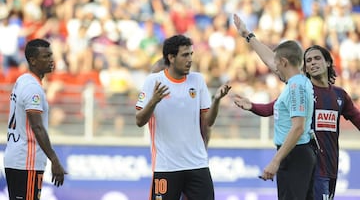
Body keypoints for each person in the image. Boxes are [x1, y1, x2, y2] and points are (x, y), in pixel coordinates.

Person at [234, 45, 360, 200]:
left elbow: (357, 119)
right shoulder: (303, 89)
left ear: (328, 62)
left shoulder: (340, 96)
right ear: (304, 67)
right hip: (310, 167)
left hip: (330, 166)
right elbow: (272, 107)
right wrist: (252, 106)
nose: (312, 63)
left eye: (317, 58)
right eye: (308, 60)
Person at [135, 34, 231, 200]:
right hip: (166, 167)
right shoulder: (153, 81)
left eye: (191, 54)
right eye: (185, 55)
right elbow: (139, 121)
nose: (190, 59)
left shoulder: (198, 80)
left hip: (197, 165)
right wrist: (153, 101)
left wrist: (216, 101)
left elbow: (208, 121)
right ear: (171, 58)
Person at [233, 14, 316, 200]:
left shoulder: (296, 87)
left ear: (284, 62)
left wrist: (275, 161)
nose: (273, 67)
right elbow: (271, 59)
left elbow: (298, 127)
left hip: (295, 155)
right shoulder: (297, 83)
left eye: (277, 64)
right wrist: (248, 36)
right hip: (295, 154)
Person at [4, 39, 67, 200]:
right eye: (45, 56)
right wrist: (54, 160)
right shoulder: (33, 88)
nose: (51, 60)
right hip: (27, 161)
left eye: (51, 55)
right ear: (32, 60)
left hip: (16, 159)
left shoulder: (23, 80)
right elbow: (37, 127)